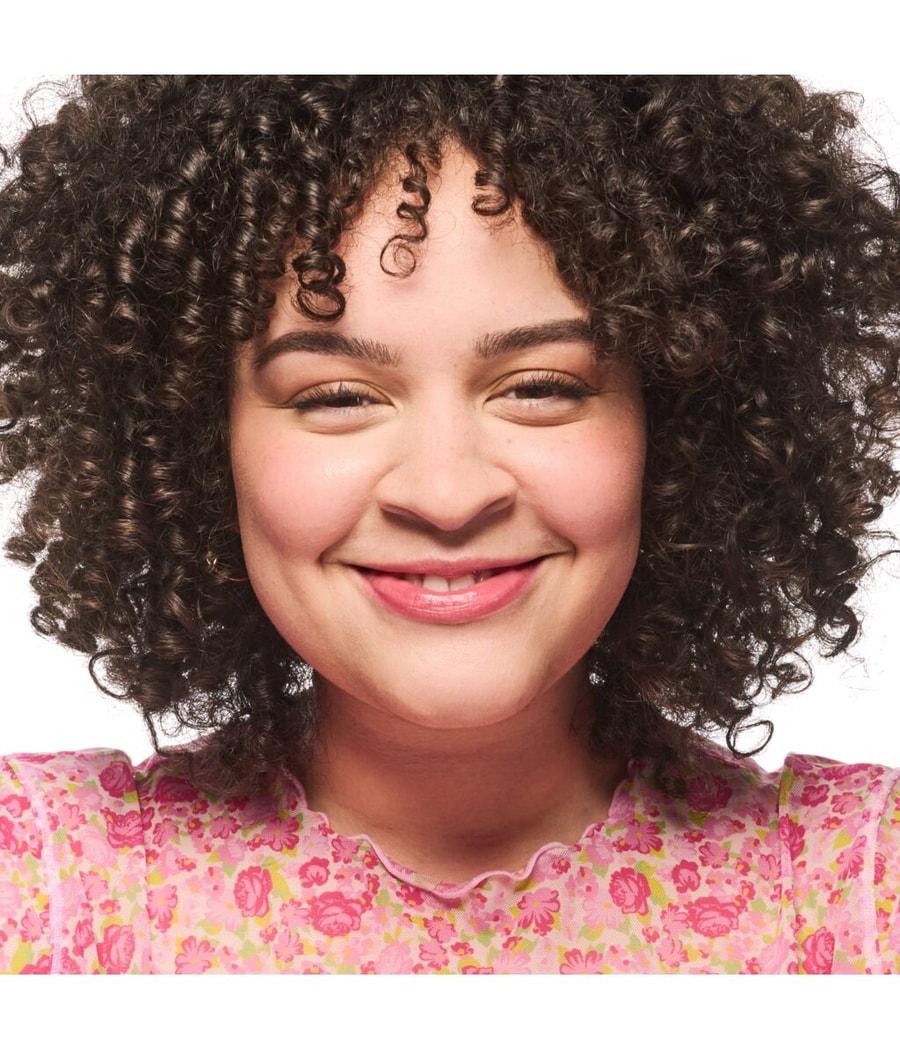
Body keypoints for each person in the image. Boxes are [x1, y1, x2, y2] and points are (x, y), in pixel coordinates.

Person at [0, 74, 899, 975]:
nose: (446, 493)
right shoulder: (47, 886)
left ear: (678, 428)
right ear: (196, 446)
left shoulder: (856, 889)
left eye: (540, 387)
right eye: (337, 396)